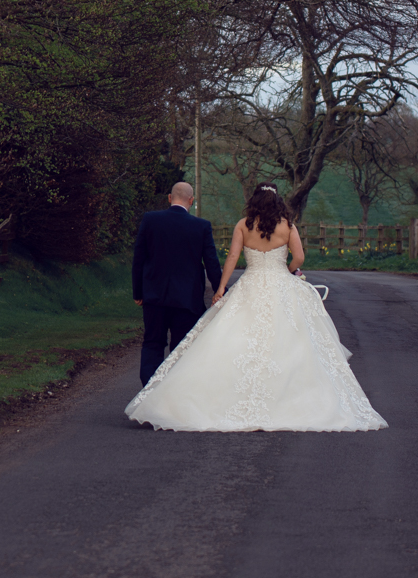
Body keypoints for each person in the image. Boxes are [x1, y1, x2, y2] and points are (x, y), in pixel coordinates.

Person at [125, 183, 388, 432]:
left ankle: (178, 395)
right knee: (292, 342)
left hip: (248, 285)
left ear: (255, 200)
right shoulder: (288, 226)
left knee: (235, 340)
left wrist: (220, 289)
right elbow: (299, 257)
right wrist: (288, 271)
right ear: (277, 200)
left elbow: (231, 257)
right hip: (281, 286)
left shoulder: (244, 225)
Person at [130, 181, 221, 384]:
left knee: (153, 344)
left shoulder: (150, 220)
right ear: (191, 200)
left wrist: (138, 292)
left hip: (154, 296)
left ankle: (148, 395)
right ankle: (170, 397)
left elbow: (139, 259)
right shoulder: (201, 226)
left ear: (170, 198)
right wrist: (220, 291)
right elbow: (212, 264)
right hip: (188, 300)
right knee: (181, 349)